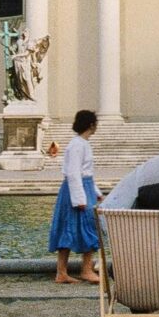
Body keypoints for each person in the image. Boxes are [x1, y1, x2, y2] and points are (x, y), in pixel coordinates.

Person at [49, 110, 101, 284]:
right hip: (77, 190)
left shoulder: (80, 143)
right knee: (86, 227)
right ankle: (84, 270)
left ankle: (63, 272)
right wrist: (80, 199)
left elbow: (85, 174)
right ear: (91, 125)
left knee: (71, 228)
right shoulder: (78, 145)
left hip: (82, 188)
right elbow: (74, 173)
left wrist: (95, 192)